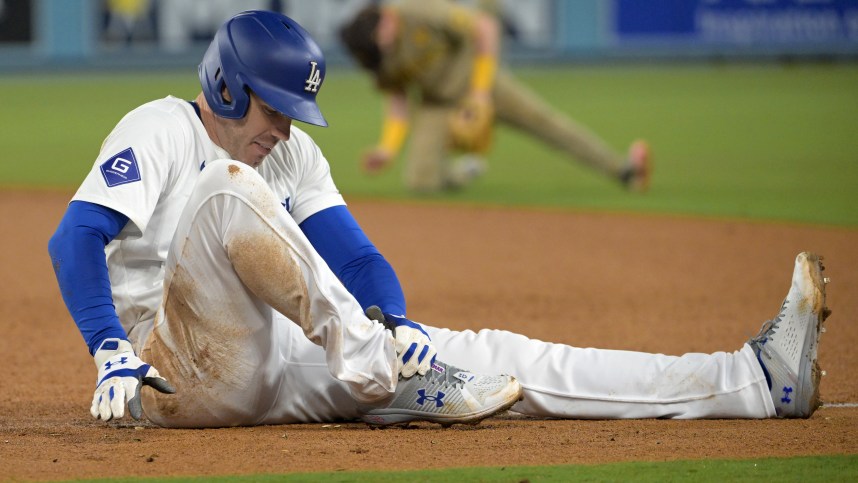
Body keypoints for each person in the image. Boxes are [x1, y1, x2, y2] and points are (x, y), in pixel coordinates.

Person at [49, 10, 830, 429]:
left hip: (273, 361)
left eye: (297, 111)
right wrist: (108, 347)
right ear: (223, 88)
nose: (287, 127)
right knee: (226, 184)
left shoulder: (289, 157)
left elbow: (357, 261)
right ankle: (374, 363)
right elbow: (73, 236)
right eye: (275, 106)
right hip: (166, 371)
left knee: (503, 360)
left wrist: (399, 320)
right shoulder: (162, 127)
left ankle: (755, 381)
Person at [338, 0, 652, 193]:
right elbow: (398, 99)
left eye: (382, 40)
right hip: (438, 103)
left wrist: (480, 92)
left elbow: (484, 28)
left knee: (547, 124)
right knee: (420, 182)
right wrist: (388, 149)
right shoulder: (376, 53)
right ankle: (460, 172)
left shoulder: (417, 10)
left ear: (386, 19)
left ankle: (622, 169)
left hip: (480, 82)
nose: (384, 49)